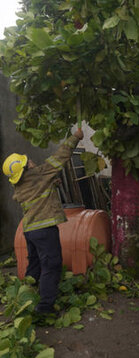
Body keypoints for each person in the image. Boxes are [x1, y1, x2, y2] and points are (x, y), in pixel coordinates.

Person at [2, 128, 84, 315]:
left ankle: (26, 297)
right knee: (52, 265)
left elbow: (39, 189)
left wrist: (52, 183)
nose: (30, 160)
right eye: (26, 160)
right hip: (44, 229)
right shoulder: (40, 174)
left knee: (35, 264)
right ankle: (45, 307)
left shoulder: (21, 187)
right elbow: (61, 156)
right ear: (26, 168)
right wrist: (75, 137)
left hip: (29, 230)